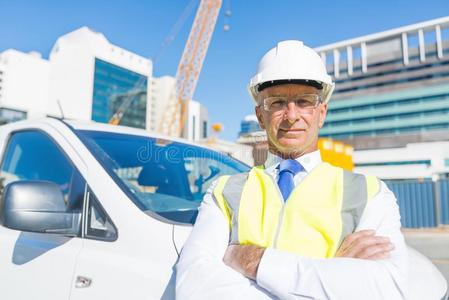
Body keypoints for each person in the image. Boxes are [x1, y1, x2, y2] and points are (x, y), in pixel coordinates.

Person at [176, 40, 408, 299]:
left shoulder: (369, 192)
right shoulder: (225, 192)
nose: (291, 116)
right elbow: (193, 288)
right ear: (260, 116)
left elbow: (387, 289)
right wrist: (334, 273)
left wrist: (253, 261)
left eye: (304, 101)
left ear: (321, 113)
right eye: (276, 103)